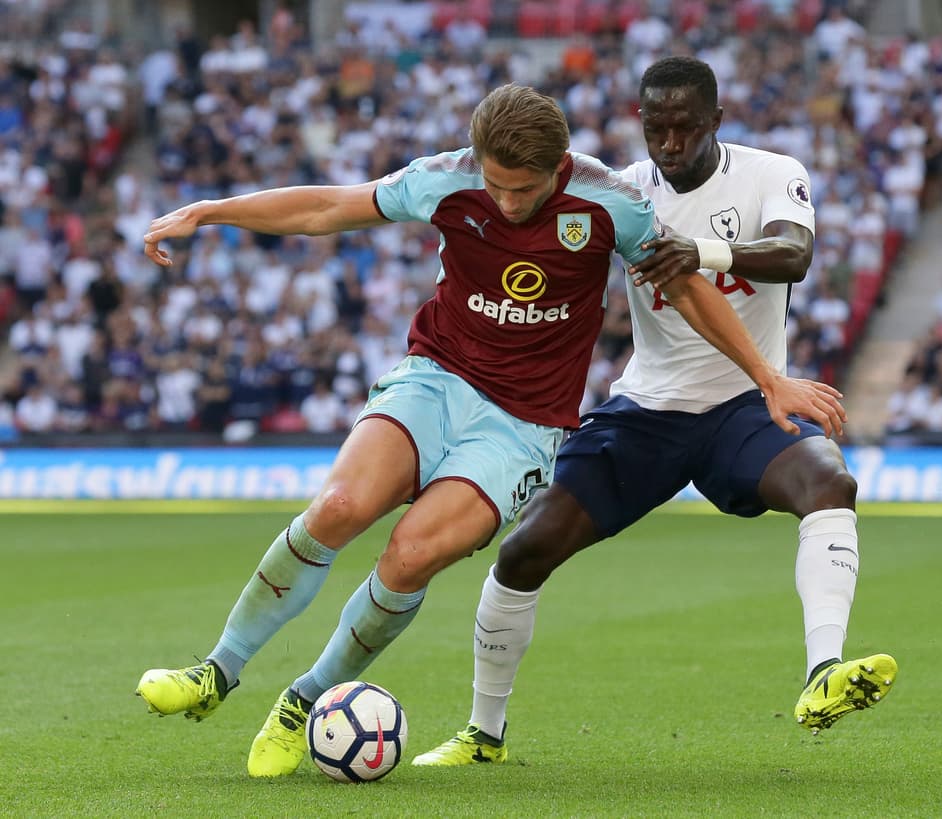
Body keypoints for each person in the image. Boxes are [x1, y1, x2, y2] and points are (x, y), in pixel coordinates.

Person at [133, 84, 848, 777]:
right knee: (340, 508)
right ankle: (216, 669)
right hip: (435, 379)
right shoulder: (445, 178)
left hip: (524, 423)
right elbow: (328, 207)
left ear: (558, 169)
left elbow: (686, 287)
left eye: (523, 190)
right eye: (496, 185)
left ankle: (302, 701)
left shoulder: (610, 203)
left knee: (411, 557)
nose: (506, 201)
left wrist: (766, 374)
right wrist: (213, 210)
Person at [415, 57, 896, 767]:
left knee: (829, 481)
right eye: (656, 127)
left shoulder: (772, 172)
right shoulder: (620, 191)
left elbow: (794, 255)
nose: (669, 143)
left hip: (743, 405)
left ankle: (823, 670)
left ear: (715, 123)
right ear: (640, 121)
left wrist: (698, 250)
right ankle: (483, 733)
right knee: (524, 549)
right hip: (645, 410)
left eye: (685, 128)